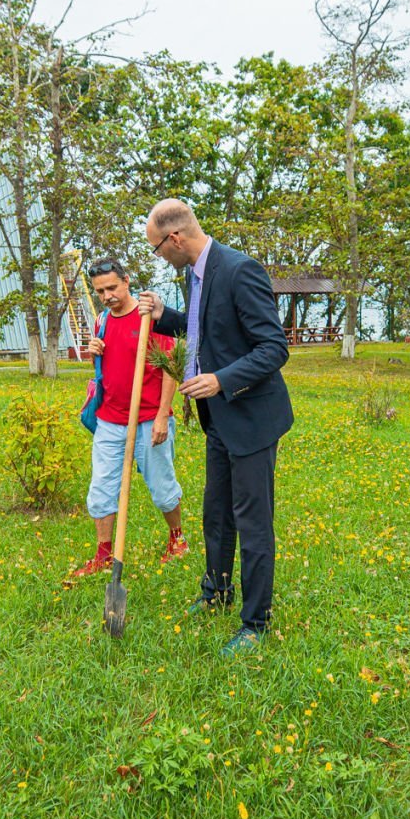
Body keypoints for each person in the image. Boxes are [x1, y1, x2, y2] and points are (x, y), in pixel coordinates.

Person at [136, 199, 292, 655]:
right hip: (218, 418)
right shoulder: (195, 274)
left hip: (252, 418)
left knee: (253, 521)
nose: (159, 256)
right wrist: (165, 315)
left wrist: (222, 379)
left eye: (157, 248)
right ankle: (217, 592)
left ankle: (255, 623)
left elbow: (274, 347)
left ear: (175, 238)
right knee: (217, 512)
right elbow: (205, 331)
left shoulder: (240, 270)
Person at [69, 257, 188, 578]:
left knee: (162, 486)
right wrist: (95, 351)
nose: (106, 296)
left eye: (112, 288)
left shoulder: (150, 317)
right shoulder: (102, 321)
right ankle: (104, 554)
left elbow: (170, 368)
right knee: (101, 489)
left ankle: (177, 539)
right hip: (110, 420)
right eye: (100, 291)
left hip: (149, 418)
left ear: (126, 280)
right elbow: (106, 368)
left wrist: (162, 416)